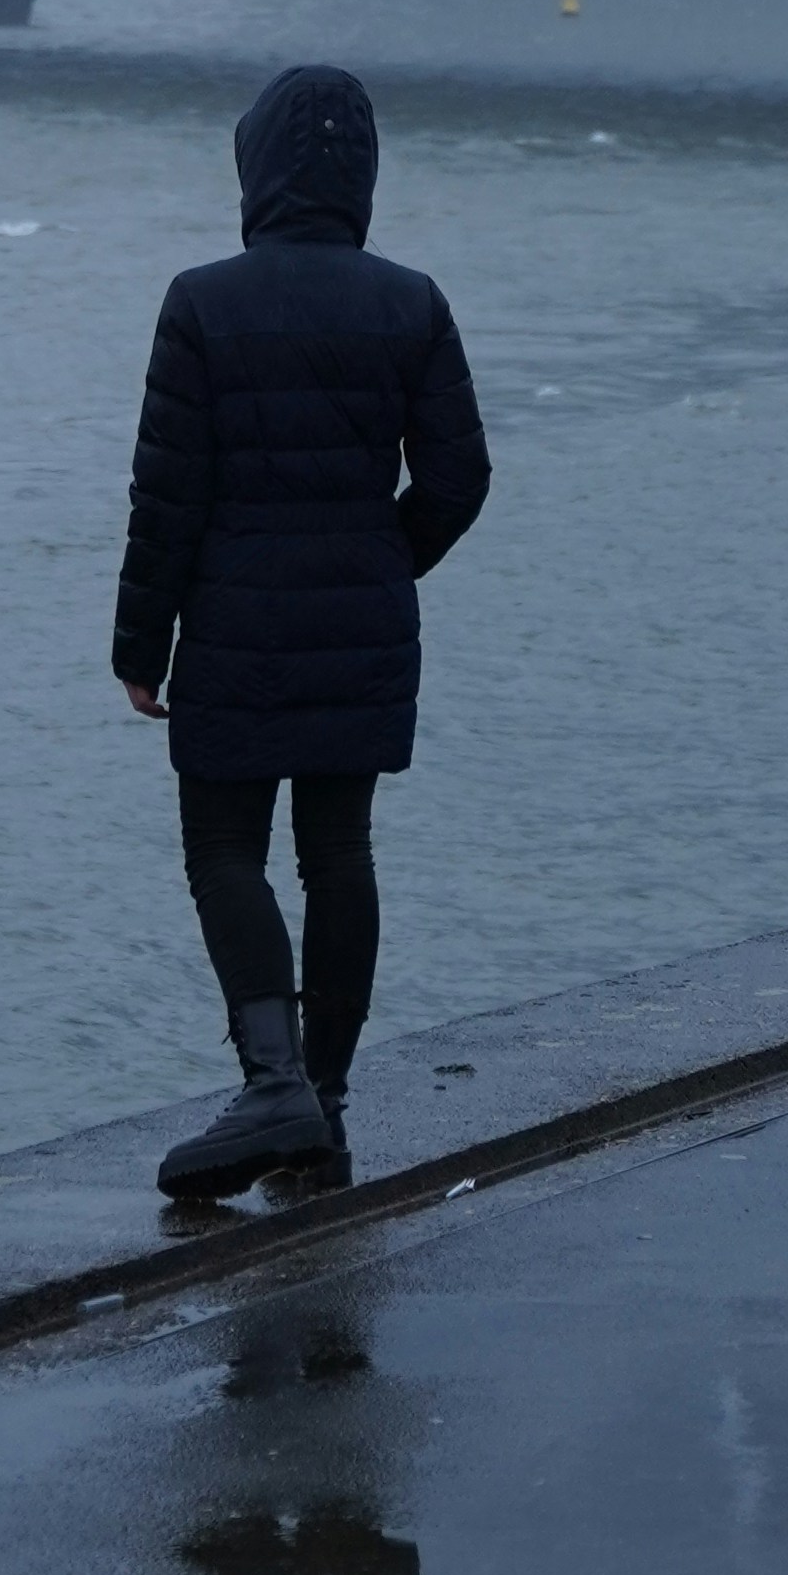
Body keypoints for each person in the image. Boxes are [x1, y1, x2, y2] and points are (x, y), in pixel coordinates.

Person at [112, 62, 492, 1201]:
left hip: (228, 621)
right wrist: (381, 558)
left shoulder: (201, 301)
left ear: (257, 169)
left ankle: (269, 1079)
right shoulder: (410, 302)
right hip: (360, 620)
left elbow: (165, 495)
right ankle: (319, 1097)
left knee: (225, 849)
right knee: (339, 853)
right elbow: (461, 476)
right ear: (359, 177)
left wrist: (139, 647)